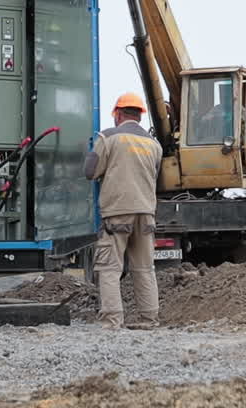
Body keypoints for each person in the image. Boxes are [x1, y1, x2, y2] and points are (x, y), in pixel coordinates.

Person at [83, 92, 163, 329]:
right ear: (139, 116)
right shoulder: (154, 145)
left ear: (118, 114)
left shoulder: (108, 137)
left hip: (117, 212)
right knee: (144, 267)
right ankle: (149, 319)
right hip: (146, 212)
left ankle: (111, 321)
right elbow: (155, 176)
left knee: (109, 267)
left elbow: (90, 172)